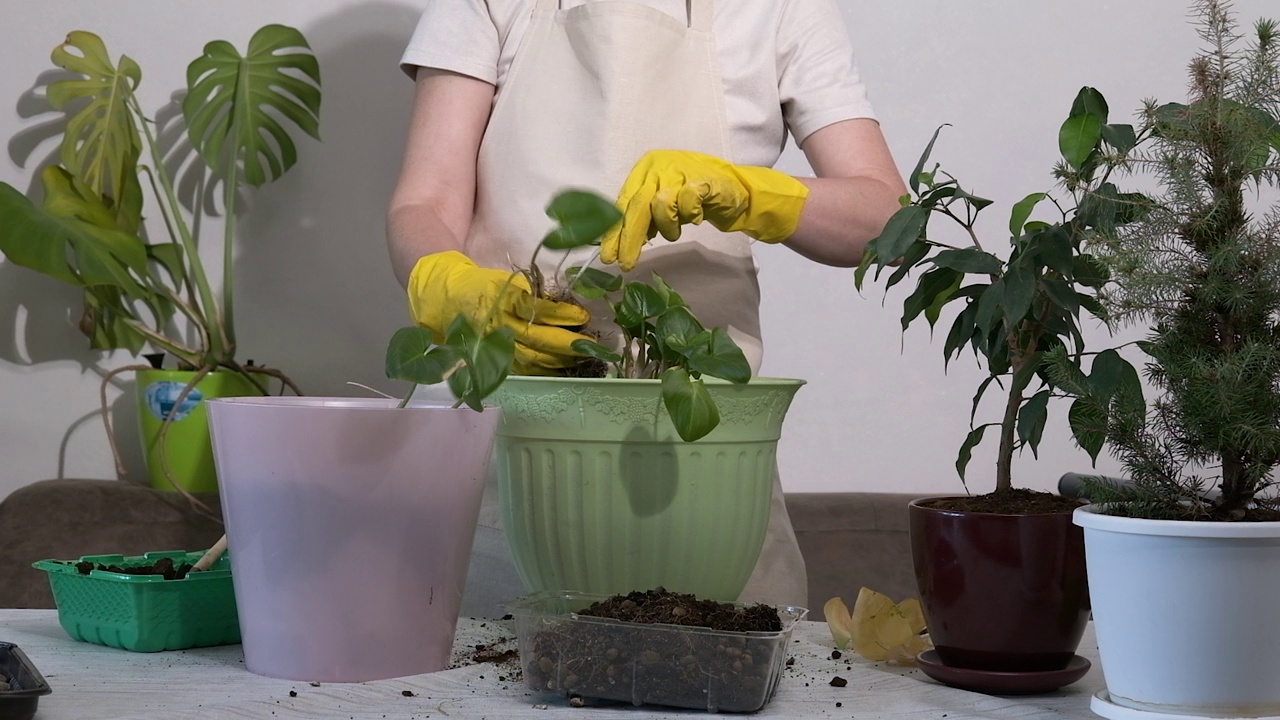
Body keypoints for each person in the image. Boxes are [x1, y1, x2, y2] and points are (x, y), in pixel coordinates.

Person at [387, 0, 908, 615]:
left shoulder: (783, 8)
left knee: (707, 677)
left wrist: (753, 194)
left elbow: (886, 220)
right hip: (509, 415)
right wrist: (445, 280)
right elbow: (426, 201)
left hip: (698, 440)